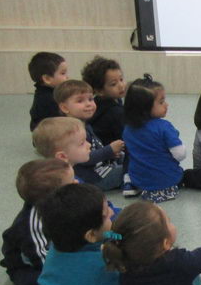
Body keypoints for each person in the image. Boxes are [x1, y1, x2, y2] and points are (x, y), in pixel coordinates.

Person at [0, 158, 74, 285]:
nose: (77, 183)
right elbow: (42, 260)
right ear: (55, 197)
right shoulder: (34, 223)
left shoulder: (62, 203)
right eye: (71, 183)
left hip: (53, 246)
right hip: (28, 266)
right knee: (51, 283)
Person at [122, 74, 185, 203]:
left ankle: (129, 183)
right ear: (144, 107)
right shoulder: (164, 127)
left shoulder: (128, 129)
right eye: (161, 102)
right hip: (167, 181)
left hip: (139, 180)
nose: (166, 105)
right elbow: (180, 154)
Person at [55, 79, 125, 191]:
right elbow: (84, 159)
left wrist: (111, 154)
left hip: (102, 166)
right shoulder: (71, 132)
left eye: (90, 99)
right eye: (80, 101)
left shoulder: (84, 123)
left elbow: (95, 146)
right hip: (95, 178)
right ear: (64, 108)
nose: (88, 104)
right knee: (133, 168)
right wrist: (109, 150)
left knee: (128, 158)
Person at [80, 56, 126, 146]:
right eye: (113, 84)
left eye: (121, 79)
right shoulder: (115, 112)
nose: (121, 85)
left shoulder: (97, 103)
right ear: (99, 91)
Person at [28, 51, 68, 131]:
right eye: (63, 73)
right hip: (48, 137)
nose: (67, 77)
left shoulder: (49, 92)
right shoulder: (49, 99)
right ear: (47, 79)